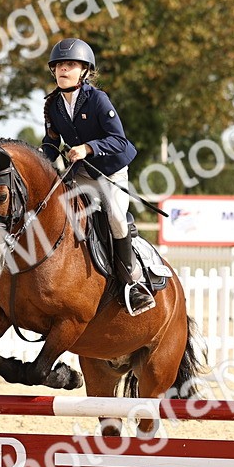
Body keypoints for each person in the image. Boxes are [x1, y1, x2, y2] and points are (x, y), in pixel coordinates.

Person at [40, 38, 155, 316]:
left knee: (115, 215)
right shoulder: (53, 105)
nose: (63, 69)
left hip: (111, 169)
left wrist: (87, 148)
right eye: (59, 65)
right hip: (81, 172)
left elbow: (118, 140)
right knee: (62, 209)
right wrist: (41, 159)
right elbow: (51, 143)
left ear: (84, 71)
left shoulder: (98, 100)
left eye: (70, 65)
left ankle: (132, 281)